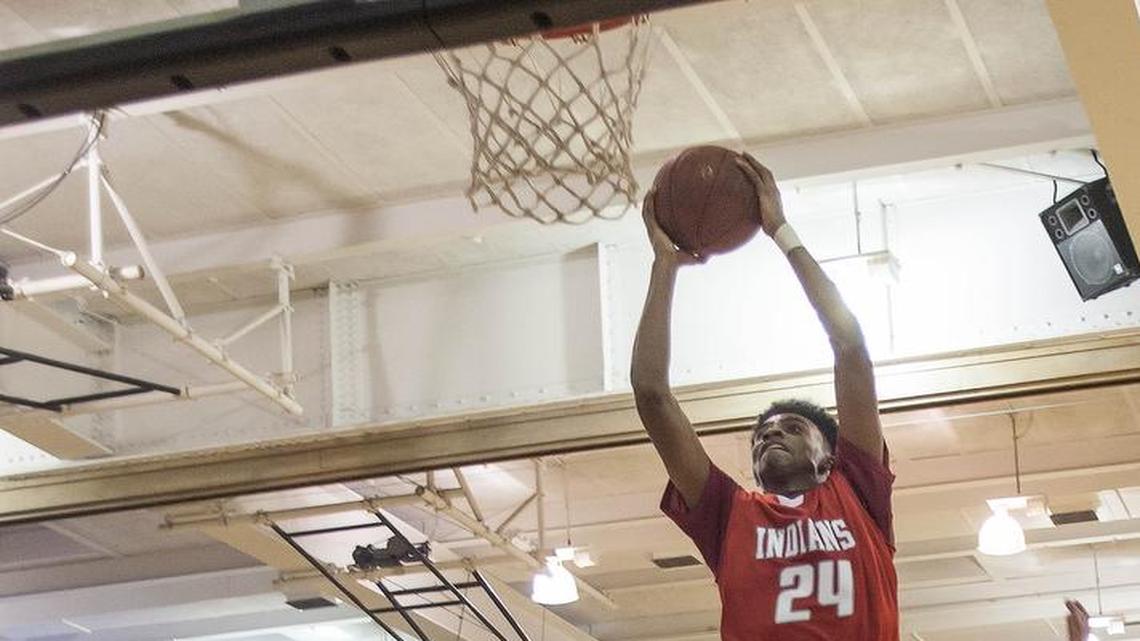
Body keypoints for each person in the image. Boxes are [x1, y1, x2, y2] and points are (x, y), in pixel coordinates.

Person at [630, 153, 898, 640]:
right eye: (762, 434)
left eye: (792, 427)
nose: (770, 434)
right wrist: (664, 265)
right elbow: (651, 394)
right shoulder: (729, 514)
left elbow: (851, 349)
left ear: (829, 457)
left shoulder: (857, 489)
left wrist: (781, 230)